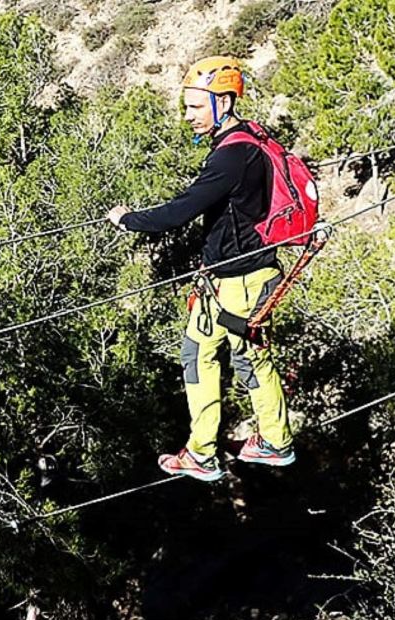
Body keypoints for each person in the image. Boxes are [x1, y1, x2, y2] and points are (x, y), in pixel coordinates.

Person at [107, 56, 295, 482]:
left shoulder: (231, 158)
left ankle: (270, 442)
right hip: (235, 276)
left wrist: (128, 219)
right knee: (201, 353)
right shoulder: (248, 139)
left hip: (241, 279)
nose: (187, 116)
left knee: (247, 360)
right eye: (187, 106)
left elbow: (179, 212)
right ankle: (205, 450)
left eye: (195, 106)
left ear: (224, 102)